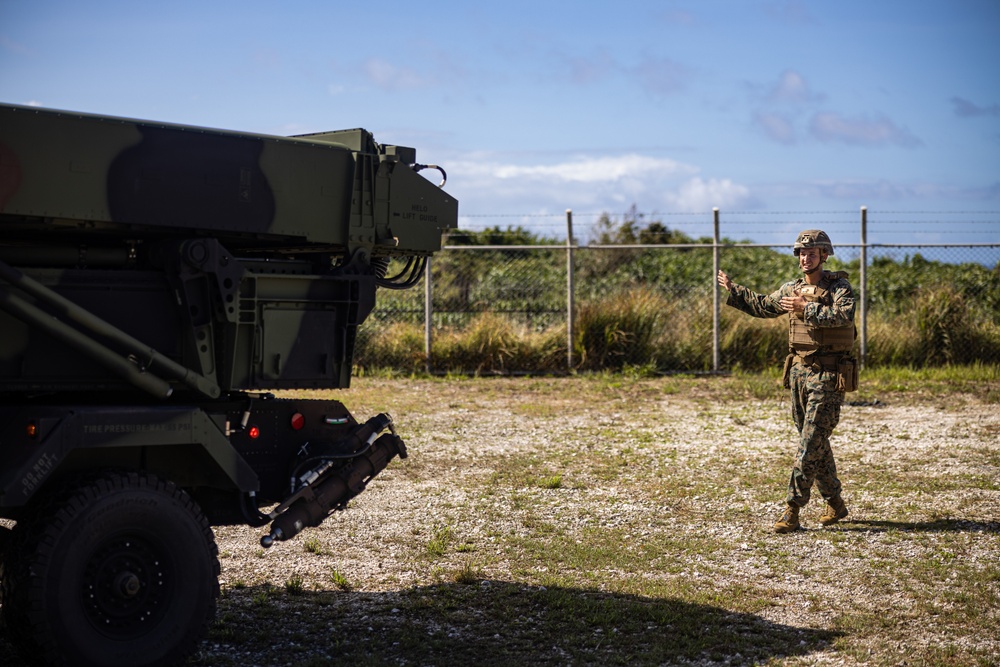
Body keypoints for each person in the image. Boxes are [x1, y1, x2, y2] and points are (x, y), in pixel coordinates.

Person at [717, 230, 856, 533]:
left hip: (829, 375)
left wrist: (806, 309)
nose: (806, 258)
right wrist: (734, 290)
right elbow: (764, 306)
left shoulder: (839, 288)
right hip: (799, 373)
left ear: (824, 255)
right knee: (815, 442)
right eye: (802, 254)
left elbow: (844, 316)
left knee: (809, 444)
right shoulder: (791, 290)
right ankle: (835, 501)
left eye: (812, 253)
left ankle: (792, 509)